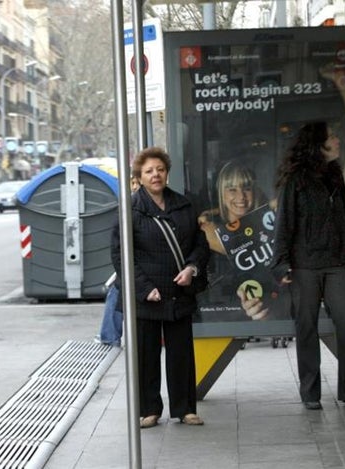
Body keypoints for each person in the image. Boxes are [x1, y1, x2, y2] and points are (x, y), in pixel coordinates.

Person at [271, 120, 345, 411]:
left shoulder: (334, 175)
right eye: (332, 136)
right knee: (306, 327)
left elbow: (342, 220)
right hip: (304, 265)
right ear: (318, 145)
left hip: (335, 263)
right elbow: (284, 225)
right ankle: (310, 392)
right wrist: (281, 265)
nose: (337, 139)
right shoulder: (296, 180)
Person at [111, 147, 210, 428]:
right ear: (139, 177)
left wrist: (191, 268)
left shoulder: (184, 205)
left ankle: (185, 408)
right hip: (147, 295)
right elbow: (121, 255)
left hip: (179, 291)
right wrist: (143, 288)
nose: (155, 175)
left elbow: (200, 246)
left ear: (167, 172)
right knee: (146, 355)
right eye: (148, 171)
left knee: (182, 355)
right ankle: (149, 410)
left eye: (160, 169)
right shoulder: (130, 209)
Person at [197, 161, 285, 320]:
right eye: (232, 189)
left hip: (262, 312)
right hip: (220, 313)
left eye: (247, 189)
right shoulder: (208, 228)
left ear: (255, 191)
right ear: (221, 193)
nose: (241, 197)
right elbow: (234, 243)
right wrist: (270, 206)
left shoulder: (268, 224)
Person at [96, 176, 139, 346]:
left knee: (117, 293)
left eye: (137, 183)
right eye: (132, 183)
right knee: (117, 292)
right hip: (131, 261)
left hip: (137, 262)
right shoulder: (130, 205)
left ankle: (109, 336)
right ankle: (109, 335)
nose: (135, 187)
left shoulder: (132, 206)